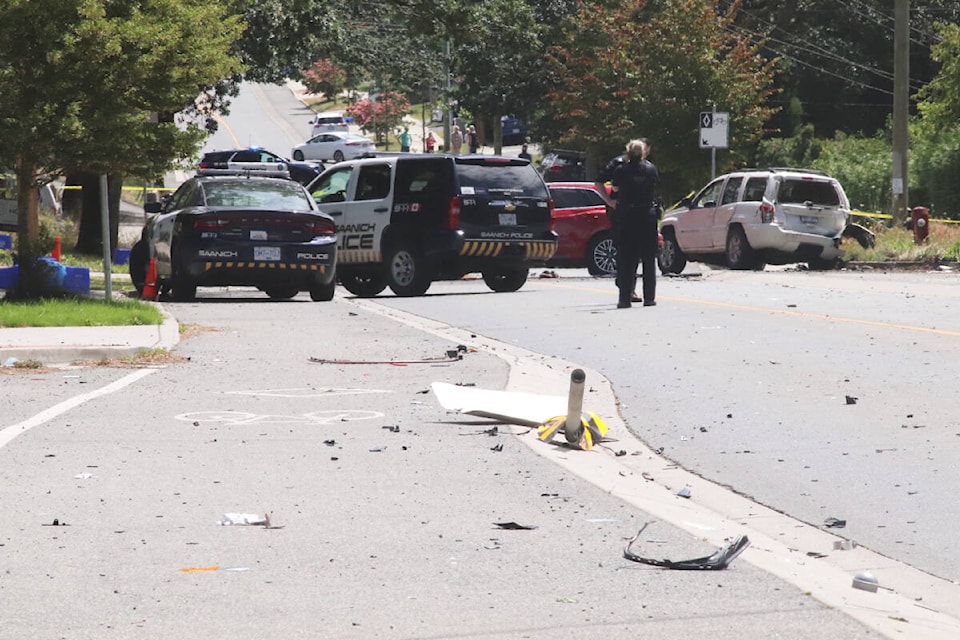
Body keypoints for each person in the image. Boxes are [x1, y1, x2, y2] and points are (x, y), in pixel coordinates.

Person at [598, 138, 660, 309]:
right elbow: (654, 187)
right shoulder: (651, 169)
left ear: (628, 152)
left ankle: (624, 298)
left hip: (627, 215)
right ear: (643, 153)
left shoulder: (620, 170)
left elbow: (616, 190)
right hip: (647, 215)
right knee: (648, 258)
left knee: (627, 258)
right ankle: (649, 297)